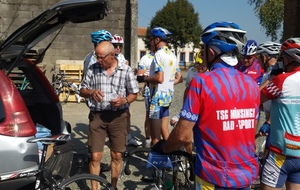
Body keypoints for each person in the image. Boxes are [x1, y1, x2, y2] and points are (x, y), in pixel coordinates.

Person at [152, 21, 260, 189]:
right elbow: (251, 128)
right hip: (245, 174)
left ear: (211, 52)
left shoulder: (201, 82)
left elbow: (182, 135)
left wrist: (164, 148)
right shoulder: (252, 84)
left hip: (213, 175)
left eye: (203, 50)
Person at [79, 41, 140, 190]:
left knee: (117, 155)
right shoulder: (93, 69)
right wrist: (92, 93)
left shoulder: (125, 70)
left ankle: (113, 186)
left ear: (112, 55)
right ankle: (95, 188)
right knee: (95, 156)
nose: (98, 60)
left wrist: (124, 100)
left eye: (101, 57)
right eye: (97, 56)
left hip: (118, 117)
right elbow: (82, 90)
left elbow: (134, 93)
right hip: (97, 116)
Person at [260, 38, 300, 190]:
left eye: (283, 57)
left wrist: (271, 78)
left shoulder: (281, 80)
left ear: (289, 58)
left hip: (280, 155)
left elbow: (254, 99)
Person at [144, 27, 182, 146]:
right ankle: (173, 156)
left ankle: (158, 163)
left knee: (155, 137)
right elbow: (179, 78)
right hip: (168, 97)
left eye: (151, 39)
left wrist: (145, 78)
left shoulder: (158, 55)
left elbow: (159, 78)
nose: (150, 42)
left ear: (157, 40)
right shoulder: (172, 55)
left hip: (157, 99)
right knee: (164, 130)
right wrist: (169, 83)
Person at [83, 29, 113, 172]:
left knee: (94, 137)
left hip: (94, 102)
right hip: (98, 104)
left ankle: (92, 160)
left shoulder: (88, 56)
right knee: (96, 139)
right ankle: (93, 162)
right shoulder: (95, 59)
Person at [112, 34, 142, 147]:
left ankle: (127, 136)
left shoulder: (121, 57)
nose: (118, 48)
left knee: (126, 115)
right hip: (113, 91)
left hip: (122, 91)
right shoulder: (109, 57)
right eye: (115, 45)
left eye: (120, 46)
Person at [256, 41, 281, 141]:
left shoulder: (278, 76)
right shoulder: (267, 74)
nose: (257, 61)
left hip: (277, 124)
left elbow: (279, 102)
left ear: (264, 57)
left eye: (259, 58)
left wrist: (269, 122)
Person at [137, 47, 155, 148]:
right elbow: (139, 76)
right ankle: (148, 139)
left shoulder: (165, 56)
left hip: (162, 92)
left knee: (161, 116)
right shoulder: (146, 58)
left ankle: (158, 139)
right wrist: (150, 78)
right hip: (149, 89)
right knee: (149, 115)